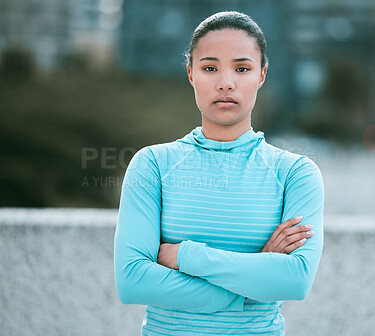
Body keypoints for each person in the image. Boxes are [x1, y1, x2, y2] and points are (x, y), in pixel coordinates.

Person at [114, 11, 324, 336]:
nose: (226, 82)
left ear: (262, 75)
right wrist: (254, 278)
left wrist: (185, 255)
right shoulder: (152, 165)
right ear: (191, 74)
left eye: (242, 68)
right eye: (210, 68)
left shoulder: (295, 174)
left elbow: (295, 280)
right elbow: (132, 281)